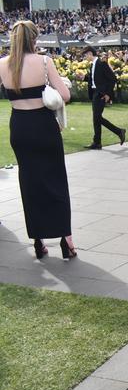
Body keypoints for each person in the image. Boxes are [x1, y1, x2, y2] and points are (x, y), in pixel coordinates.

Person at [0, 20, 76, 259]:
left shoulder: (2, 64)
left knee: (29, 183)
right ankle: (66, 240)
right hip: (43, 126)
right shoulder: (44, 61)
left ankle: (37, 241)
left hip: (20, 127)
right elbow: (64, 95)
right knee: (56, 180)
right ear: (34, 39)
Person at [80, 46, 125, 149]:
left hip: (101, 94)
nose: (85, 57)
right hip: (95, 93)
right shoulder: (93, 65)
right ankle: (97, 142)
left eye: (85, 55)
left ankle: (119, 131)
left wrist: (108, 94)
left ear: (90, 53)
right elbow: (96, 79)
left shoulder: (102, 64)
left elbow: (112, 79)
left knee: (97, 118)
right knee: (96, 119)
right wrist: (85, 78)